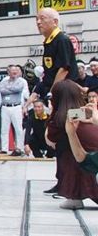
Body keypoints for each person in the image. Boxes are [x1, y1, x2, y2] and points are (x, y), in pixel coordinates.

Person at [45, 81, 98, 209]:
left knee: (65, 148)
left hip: (89, 168)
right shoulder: (86, 112)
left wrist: (52, 113)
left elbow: (49, 140)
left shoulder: (62, 117)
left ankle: (74, 195)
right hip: (93, 167)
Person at [36, 7, 76, 99]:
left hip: (65, 92)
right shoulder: (49, 41)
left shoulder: (62, 40)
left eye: (42, 18)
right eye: (37, 19)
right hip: (56, 91)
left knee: (74, 113)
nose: (38, 22)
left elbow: (64, 69)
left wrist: (52, 92)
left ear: (55, 22)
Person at [0, 64, 29, 155]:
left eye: (16, 71)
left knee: (18, 128)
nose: (14, 72)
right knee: (4, 128)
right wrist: (11, 89)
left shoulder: (21, 81)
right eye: (12, 71)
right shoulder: (4, 80)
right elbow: (1, 90)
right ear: (8, 72)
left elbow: (18, 89)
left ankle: (20, 148)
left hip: (16, 106)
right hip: (5, 106)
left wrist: (8, 89)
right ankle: (4, 148)